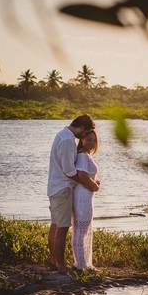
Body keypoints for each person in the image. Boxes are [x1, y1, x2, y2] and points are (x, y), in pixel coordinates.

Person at [47, 115, 98, 271]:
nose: (84, 137)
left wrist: (89, 181)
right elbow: (70, 171)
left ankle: (54, 261)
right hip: (62, 188)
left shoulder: (63, 135)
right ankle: (61, 266)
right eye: (86, 133)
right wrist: (91, 184)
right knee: (62, 227)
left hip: (56, 187)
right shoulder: (68, 140)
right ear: (82, 128)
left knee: (56, 225)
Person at [72, 130, 99, 270]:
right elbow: (81, 175)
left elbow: (86, 175)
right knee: (81, 231)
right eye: (88, 139)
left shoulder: (85, 155)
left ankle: (84, 264)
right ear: (81, 140)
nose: (91, 142)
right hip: (82, 196)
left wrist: (95, 182)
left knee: (81, 229)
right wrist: (94, 186)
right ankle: (81, 265)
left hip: (85, 196)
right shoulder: (82, 155)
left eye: (93, 140)